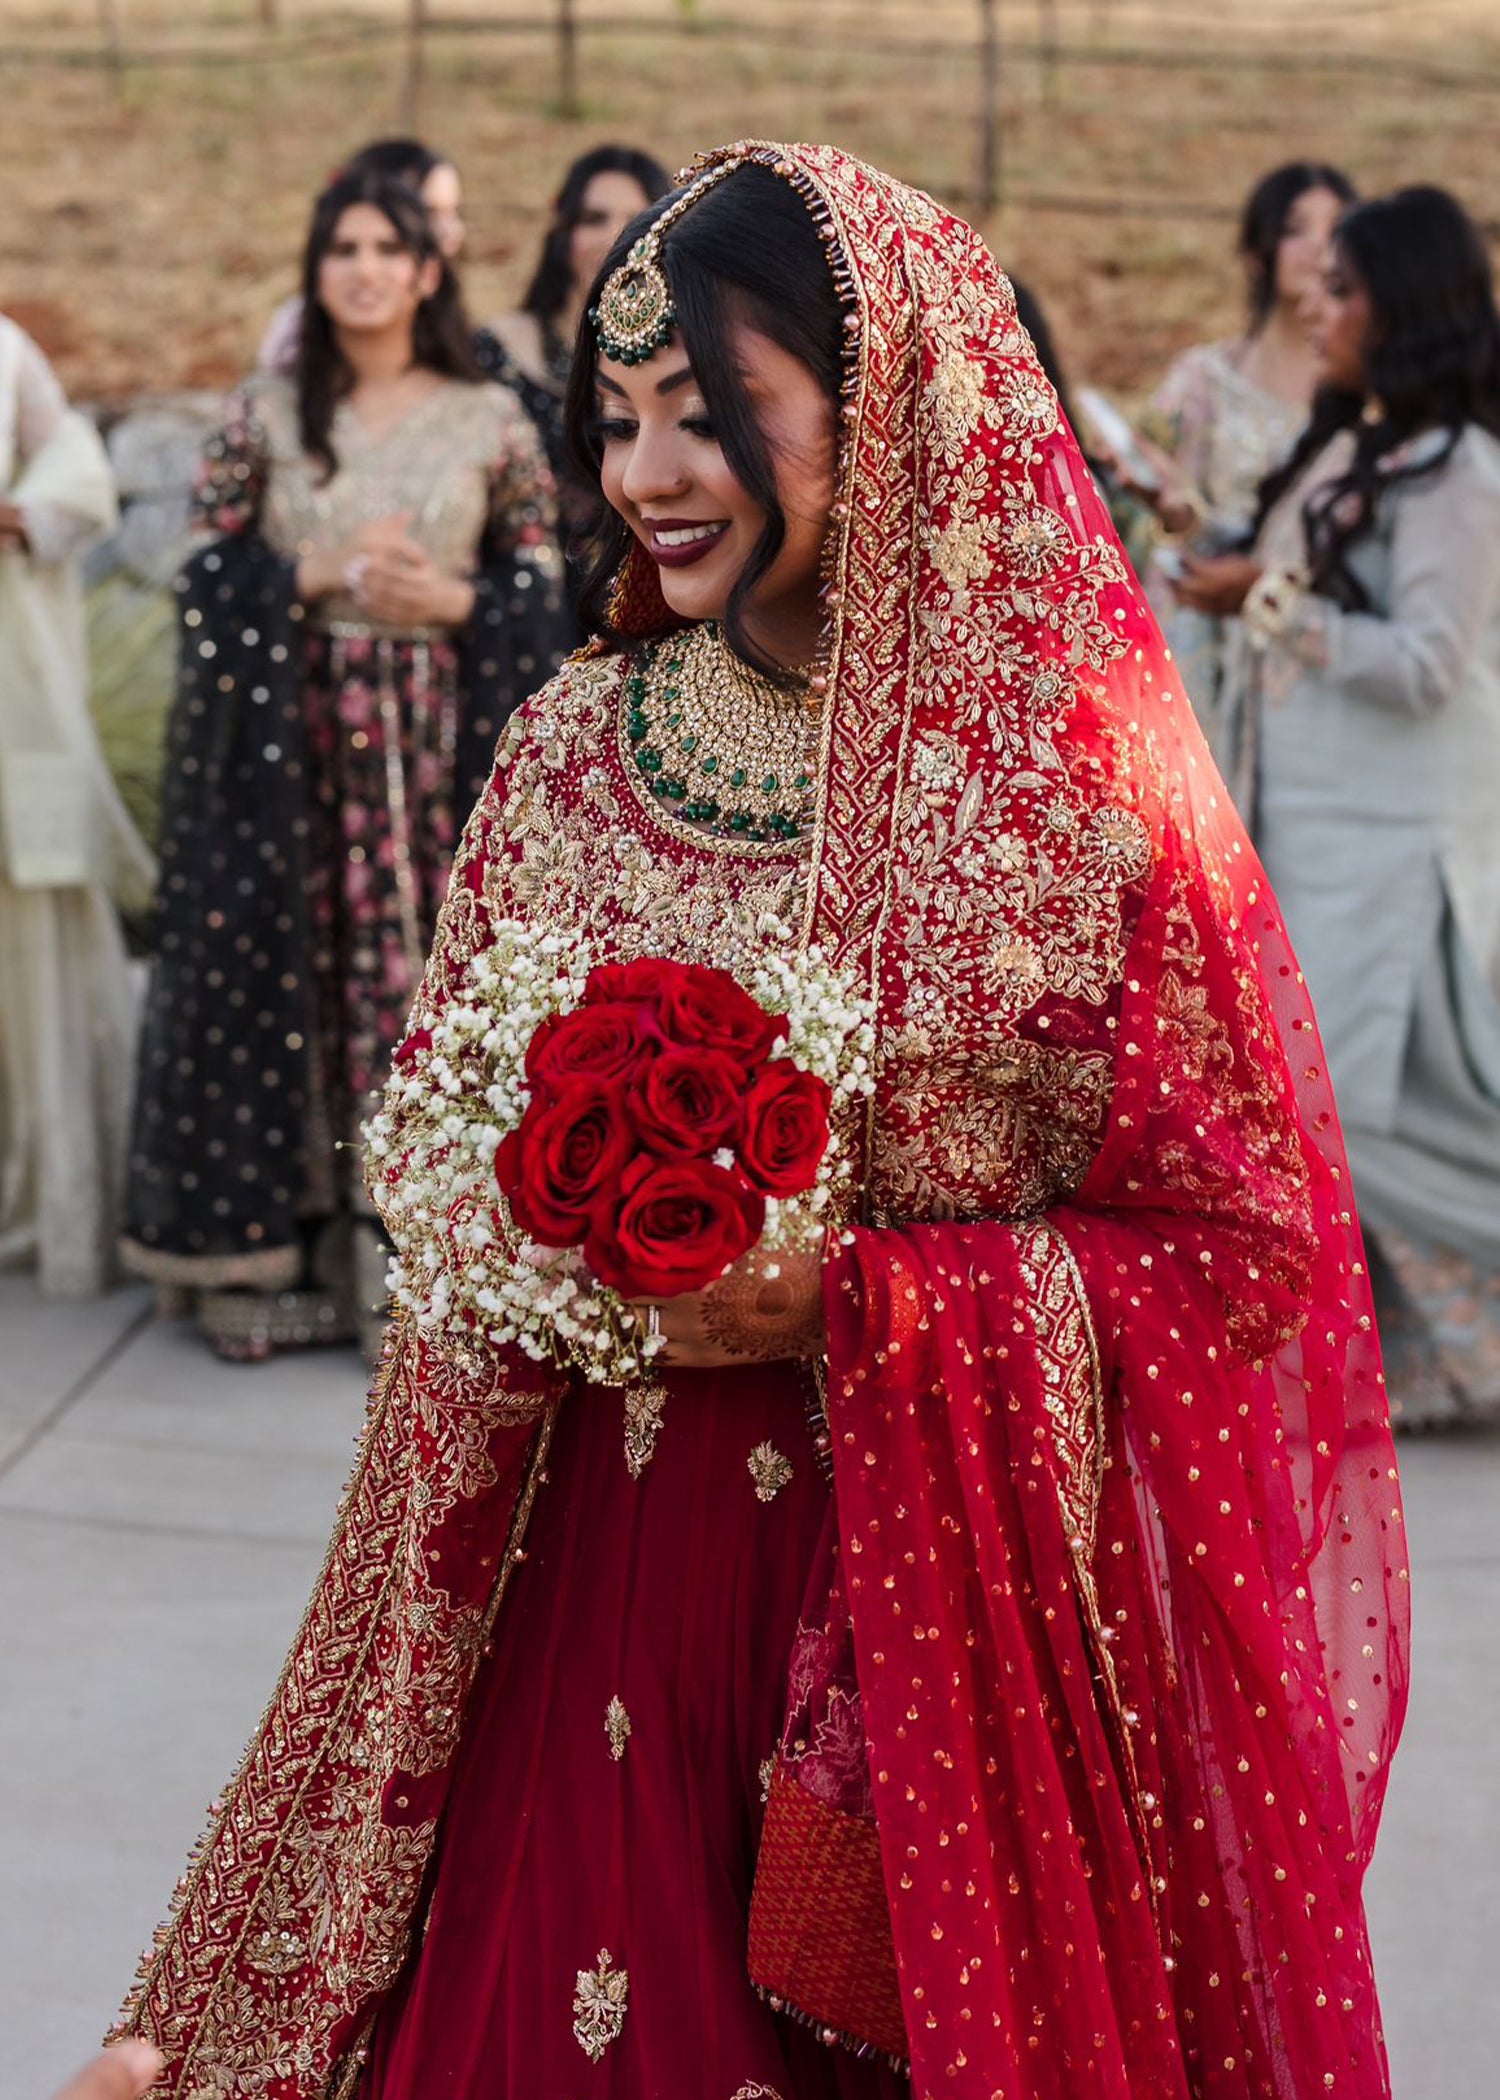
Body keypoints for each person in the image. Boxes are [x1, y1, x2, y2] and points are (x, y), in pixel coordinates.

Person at [114, 145, 1406, 2099]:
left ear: (877, 401)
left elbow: (1244, 1255)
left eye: (710, 415)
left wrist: (859, 1302)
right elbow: (441, 1166)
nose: (645, 474)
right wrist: (511, 1206)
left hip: (926, 1657)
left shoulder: (1075, 779)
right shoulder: (570, 746)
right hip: (585, 1610)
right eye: (617, 419)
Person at [122, 168, 563, 1360]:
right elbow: (203, 571)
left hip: (432, 759)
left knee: (413, 988)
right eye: (341, 247)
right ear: (317, 271)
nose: (362, 267)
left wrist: (458, 599)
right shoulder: (263, 413)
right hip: (288, 763)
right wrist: (306, 578)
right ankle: (293, 1254)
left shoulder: (491, 418)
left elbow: (546, 586)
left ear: (429, 272)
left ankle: (410, 1256)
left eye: (388, 247)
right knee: (294, 980)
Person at [1189, 185, 1500, 1428]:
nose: (1320, 308)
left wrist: (1268, 604)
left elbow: (1426, 661)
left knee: (1362, 1112)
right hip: (1306, 823)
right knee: (1315, 1108)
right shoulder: (1360, 445)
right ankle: (1387, 1369)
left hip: (1392, 837)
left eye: (1349, 289)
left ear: (1409, 306)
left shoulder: (1463, 473)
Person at [0, 316, 155, 1296]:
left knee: (31, 925)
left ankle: (43, 1190)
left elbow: (73, 466)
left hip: (11, 686)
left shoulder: (6, 350)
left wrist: (18, 516)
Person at [1143, 161, 1355, 748]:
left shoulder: (1367, 398)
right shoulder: (1203, 382)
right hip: (1206, 639)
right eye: (1296, 229)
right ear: (1259, 249)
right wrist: (1169, 514)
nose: (1318, 248)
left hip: (1315, 642)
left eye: (1335, 229)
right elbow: (1146, 521)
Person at [480, 144, 670, 592]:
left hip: (650, 587)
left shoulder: (690, 357)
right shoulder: (499, 349)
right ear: (563, 232)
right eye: (593, 219)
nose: (614, 237)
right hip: (523, 600)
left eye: (635, 219)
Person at [257, 138, 469, 377]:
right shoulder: (297, 334)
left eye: (455, 213)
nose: (451, 231)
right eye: (428, 212)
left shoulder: (454, 325)